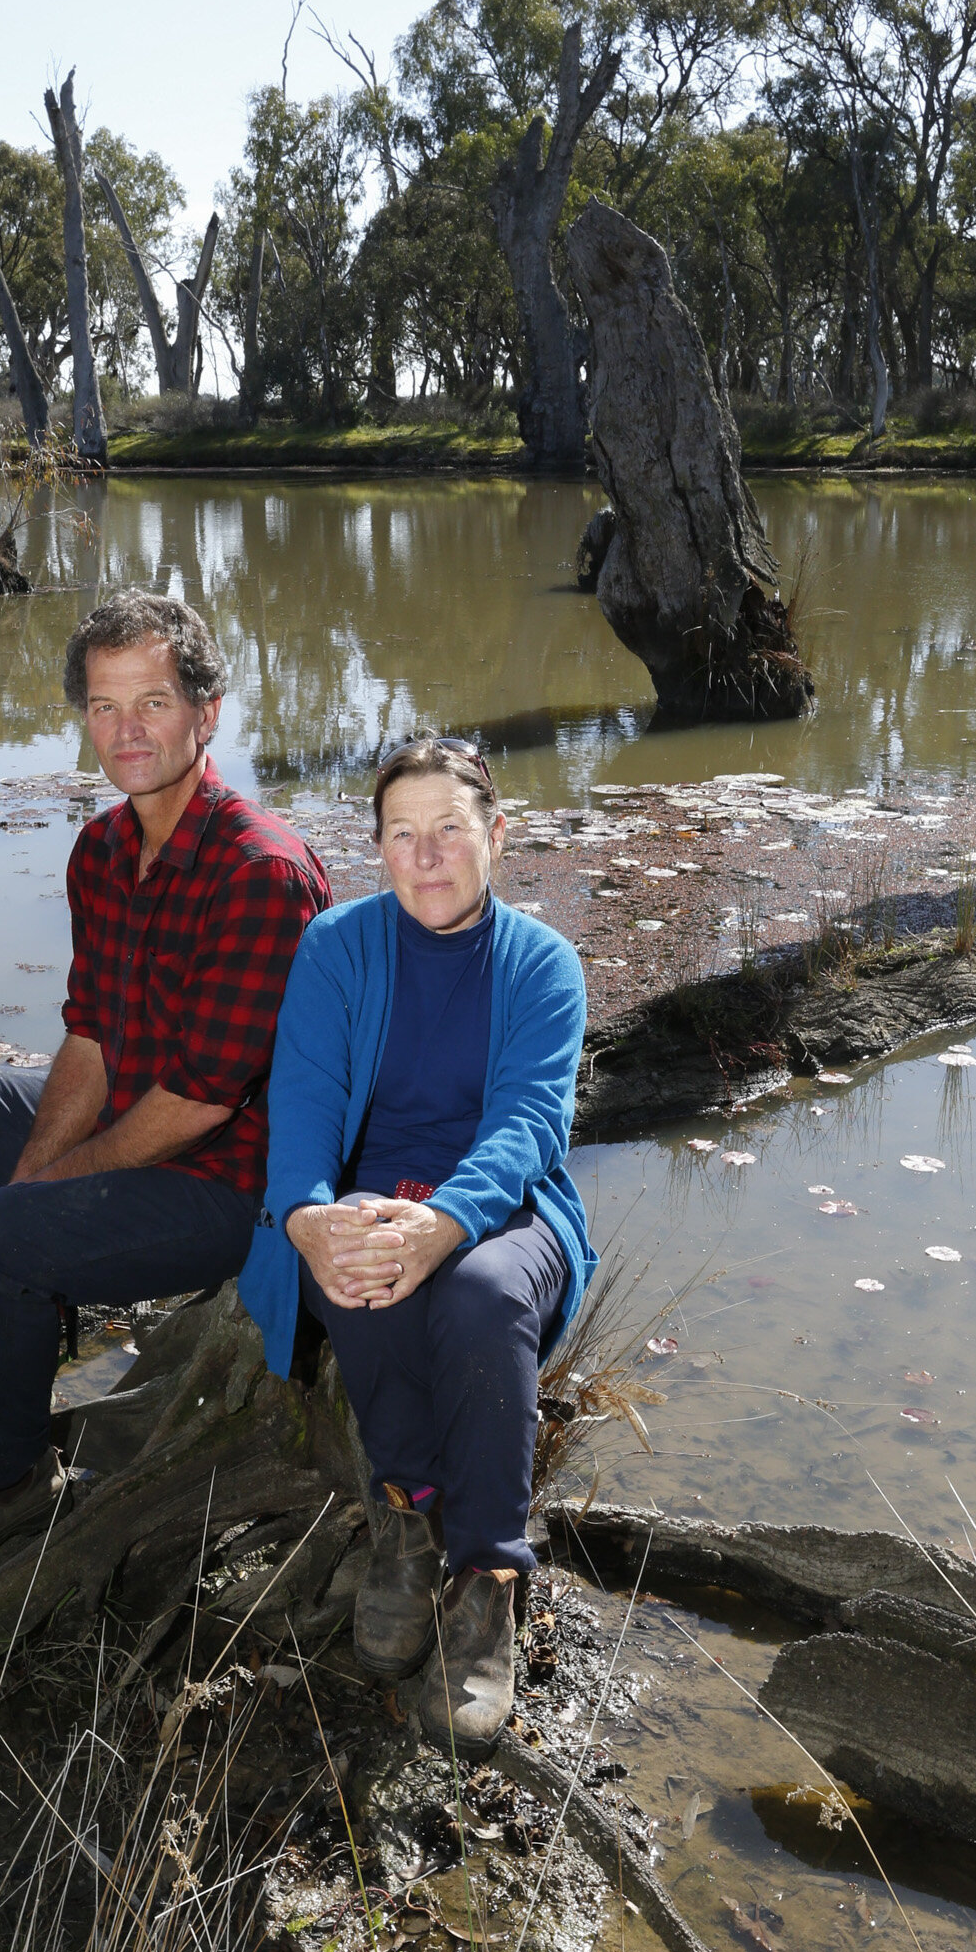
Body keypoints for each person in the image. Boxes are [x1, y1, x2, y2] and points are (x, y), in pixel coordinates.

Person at [0, 589, 331, 1580]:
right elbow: (91, 1036)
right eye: (105, 706)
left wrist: (52, 1187)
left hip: (233, 1187)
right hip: (146, 1125)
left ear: (207, 715)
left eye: (153, 703)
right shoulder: (104, 850)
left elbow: (201, 1099)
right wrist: (41, 1168)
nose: (127, 731)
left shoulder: (260, 873)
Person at [238, 736, 593, 1758]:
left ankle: (486, 1579)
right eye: (403, 833)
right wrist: (308, 1216)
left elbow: (530, 1126)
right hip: (369, 1193)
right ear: (380, 845)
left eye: (449, 828)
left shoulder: (540, 963)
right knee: (357, 1268)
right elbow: (299, 1102)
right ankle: (403, 1517)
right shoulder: (338, 945)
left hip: (504, 1205)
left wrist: (442, 1224)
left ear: (495, 833)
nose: (426, 854)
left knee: (480, 1297)